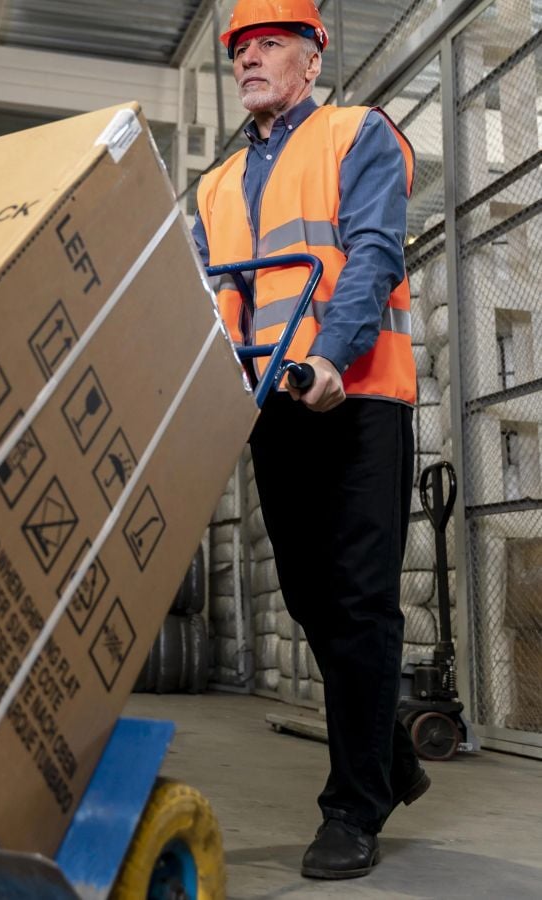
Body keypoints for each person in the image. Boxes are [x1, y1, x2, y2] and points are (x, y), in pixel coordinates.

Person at [193, 0, 430, 881]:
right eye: (241, 50)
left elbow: (373, 252)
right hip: (274, 406)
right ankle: (391, 757)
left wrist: (331, 355)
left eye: (270, 47)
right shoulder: (214, 187)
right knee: (308, 596)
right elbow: (211, 300)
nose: (251, 60)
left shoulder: (356, 135)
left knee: (361, 598)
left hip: (359, 395)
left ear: (311, 62)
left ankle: (352, 807)